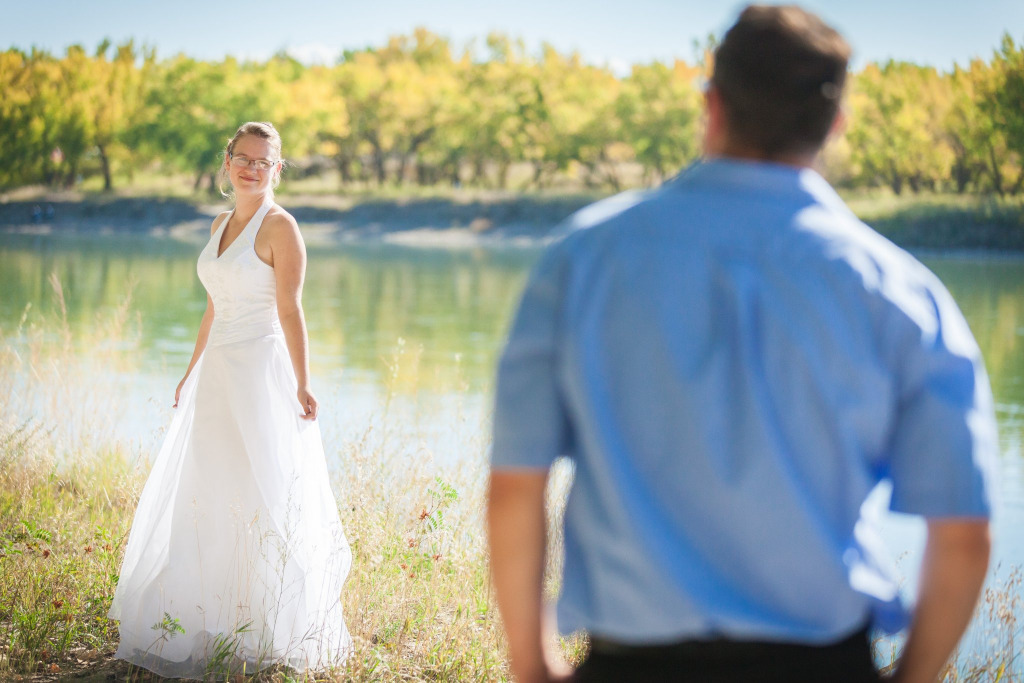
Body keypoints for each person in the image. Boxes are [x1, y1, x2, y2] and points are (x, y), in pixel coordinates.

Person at [488, 5, 996, 683]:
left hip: (630, 666)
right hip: (824, 666)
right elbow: (964, 533)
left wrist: (532, 662)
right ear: (836, 124)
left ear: (712, 104)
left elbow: (515, 486)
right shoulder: (904, 293)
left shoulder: (581, 260)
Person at [109, 121, 352, 677]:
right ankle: (205, 619)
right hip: (217, 374)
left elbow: (290, 310)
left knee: (259, 491)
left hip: (258, 374)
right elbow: (215, 304)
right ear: (227, 162)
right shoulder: (219, 223)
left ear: (278, 169)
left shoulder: (282, 228)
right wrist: (191, 369)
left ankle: (263, 628)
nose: (250, 168)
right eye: (242, 158)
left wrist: (303, 381)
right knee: (209, 488)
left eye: (263, 161)